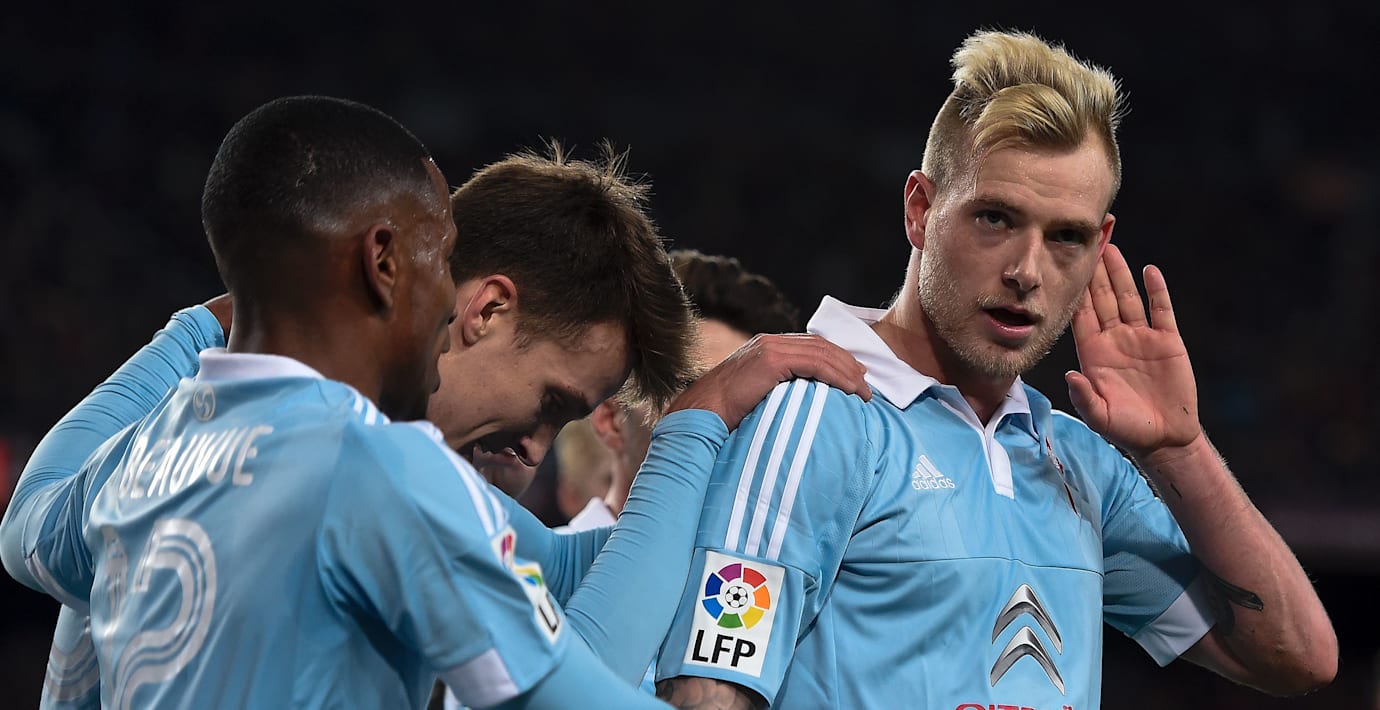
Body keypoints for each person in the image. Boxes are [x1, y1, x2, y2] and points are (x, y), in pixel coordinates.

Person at [1, 96, 871, 709]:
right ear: (385, 262)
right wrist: (693, 428)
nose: (446, 301)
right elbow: (578, 676)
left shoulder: (150, 447)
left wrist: (762, 519)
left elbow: (559, 566)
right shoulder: (373, 469)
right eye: (439, 257)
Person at [653, 30, 1338, 709]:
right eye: (995, 219)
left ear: (1100, 244)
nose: (1026, 271)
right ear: (921, 211)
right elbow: (708, 691)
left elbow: (1297, 658)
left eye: (1065, 235)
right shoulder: (819, 418)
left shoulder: (1078, 465)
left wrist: (1179, 450)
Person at [560, 248, 801, 530]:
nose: (729, 421)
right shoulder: (528, 559)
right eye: (694, 391)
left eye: (754, 402)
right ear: (611, 420)